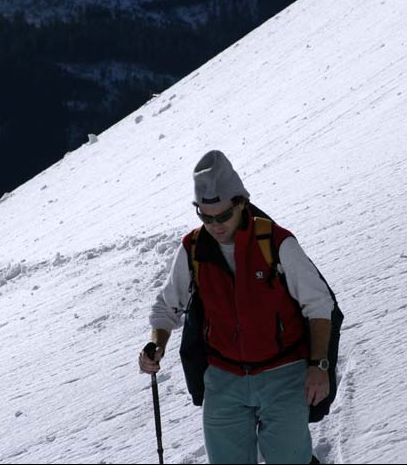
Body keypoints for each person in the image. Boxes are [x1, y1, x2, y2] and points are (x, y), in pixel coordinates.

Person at [139, 150, 335, 464]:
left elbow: (319, 305)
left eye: (222, 216)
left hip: (283, 373)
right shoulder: (193, 250)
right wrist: (156, 345)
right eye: (205, 216)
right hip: (224, 377)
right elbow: (166, 307)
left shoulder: (275, 243)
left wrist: (319, 365)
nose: (214, 225)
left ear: (241, 202)